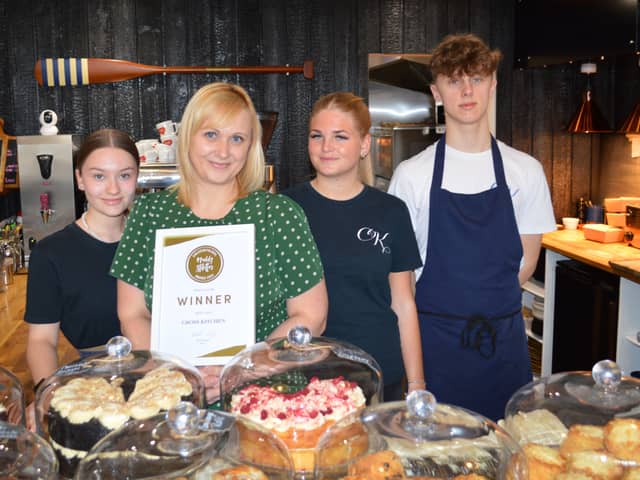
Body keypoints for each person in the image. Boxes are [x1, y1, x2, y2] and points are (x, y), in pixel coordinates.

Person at [111, 82, 328, 403]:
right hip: (173, 395)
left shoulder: (278, 214)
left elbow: (312, 316)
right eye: (211, 134)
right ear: (188, 138)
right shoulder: (148, 214)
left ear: (251, 147)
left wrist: (244, 368)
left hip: (265, 396)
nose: (223, 151)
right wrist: (178, 371)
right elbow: (132, 314)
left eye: (237, 138)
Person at [388, 33, 556, 420]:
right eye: (454, 80)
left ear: (493, 85)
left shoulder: (526, 171)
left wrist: (481, 306)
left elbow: (526, 265)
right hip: (435, 348)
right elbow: (401, 280)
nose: (467, 90)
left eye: (477, 78)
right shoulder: (412, 175)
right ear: (436, 92)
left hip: (503, 345)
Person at [284, 92, 424, 401]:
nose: (326, 147)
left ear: (364, 145)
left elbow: (404, 303)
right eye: (317, 136)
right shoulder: (286, 208)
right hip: (306, 375)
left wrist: (416, 384)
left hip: (379, 374)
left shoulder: (391, 211)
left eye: (340, 137)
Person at [25, 128, 140, 387]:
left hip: (162, 377)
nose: (113, 189)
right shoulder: (51, 254)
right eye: (99, 176)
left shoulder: (154, 242)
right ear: (79, 179)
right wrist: (48, 394)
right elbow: (41, 340)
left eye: (124, 175)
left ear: (137, 178)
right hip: (94, 387)